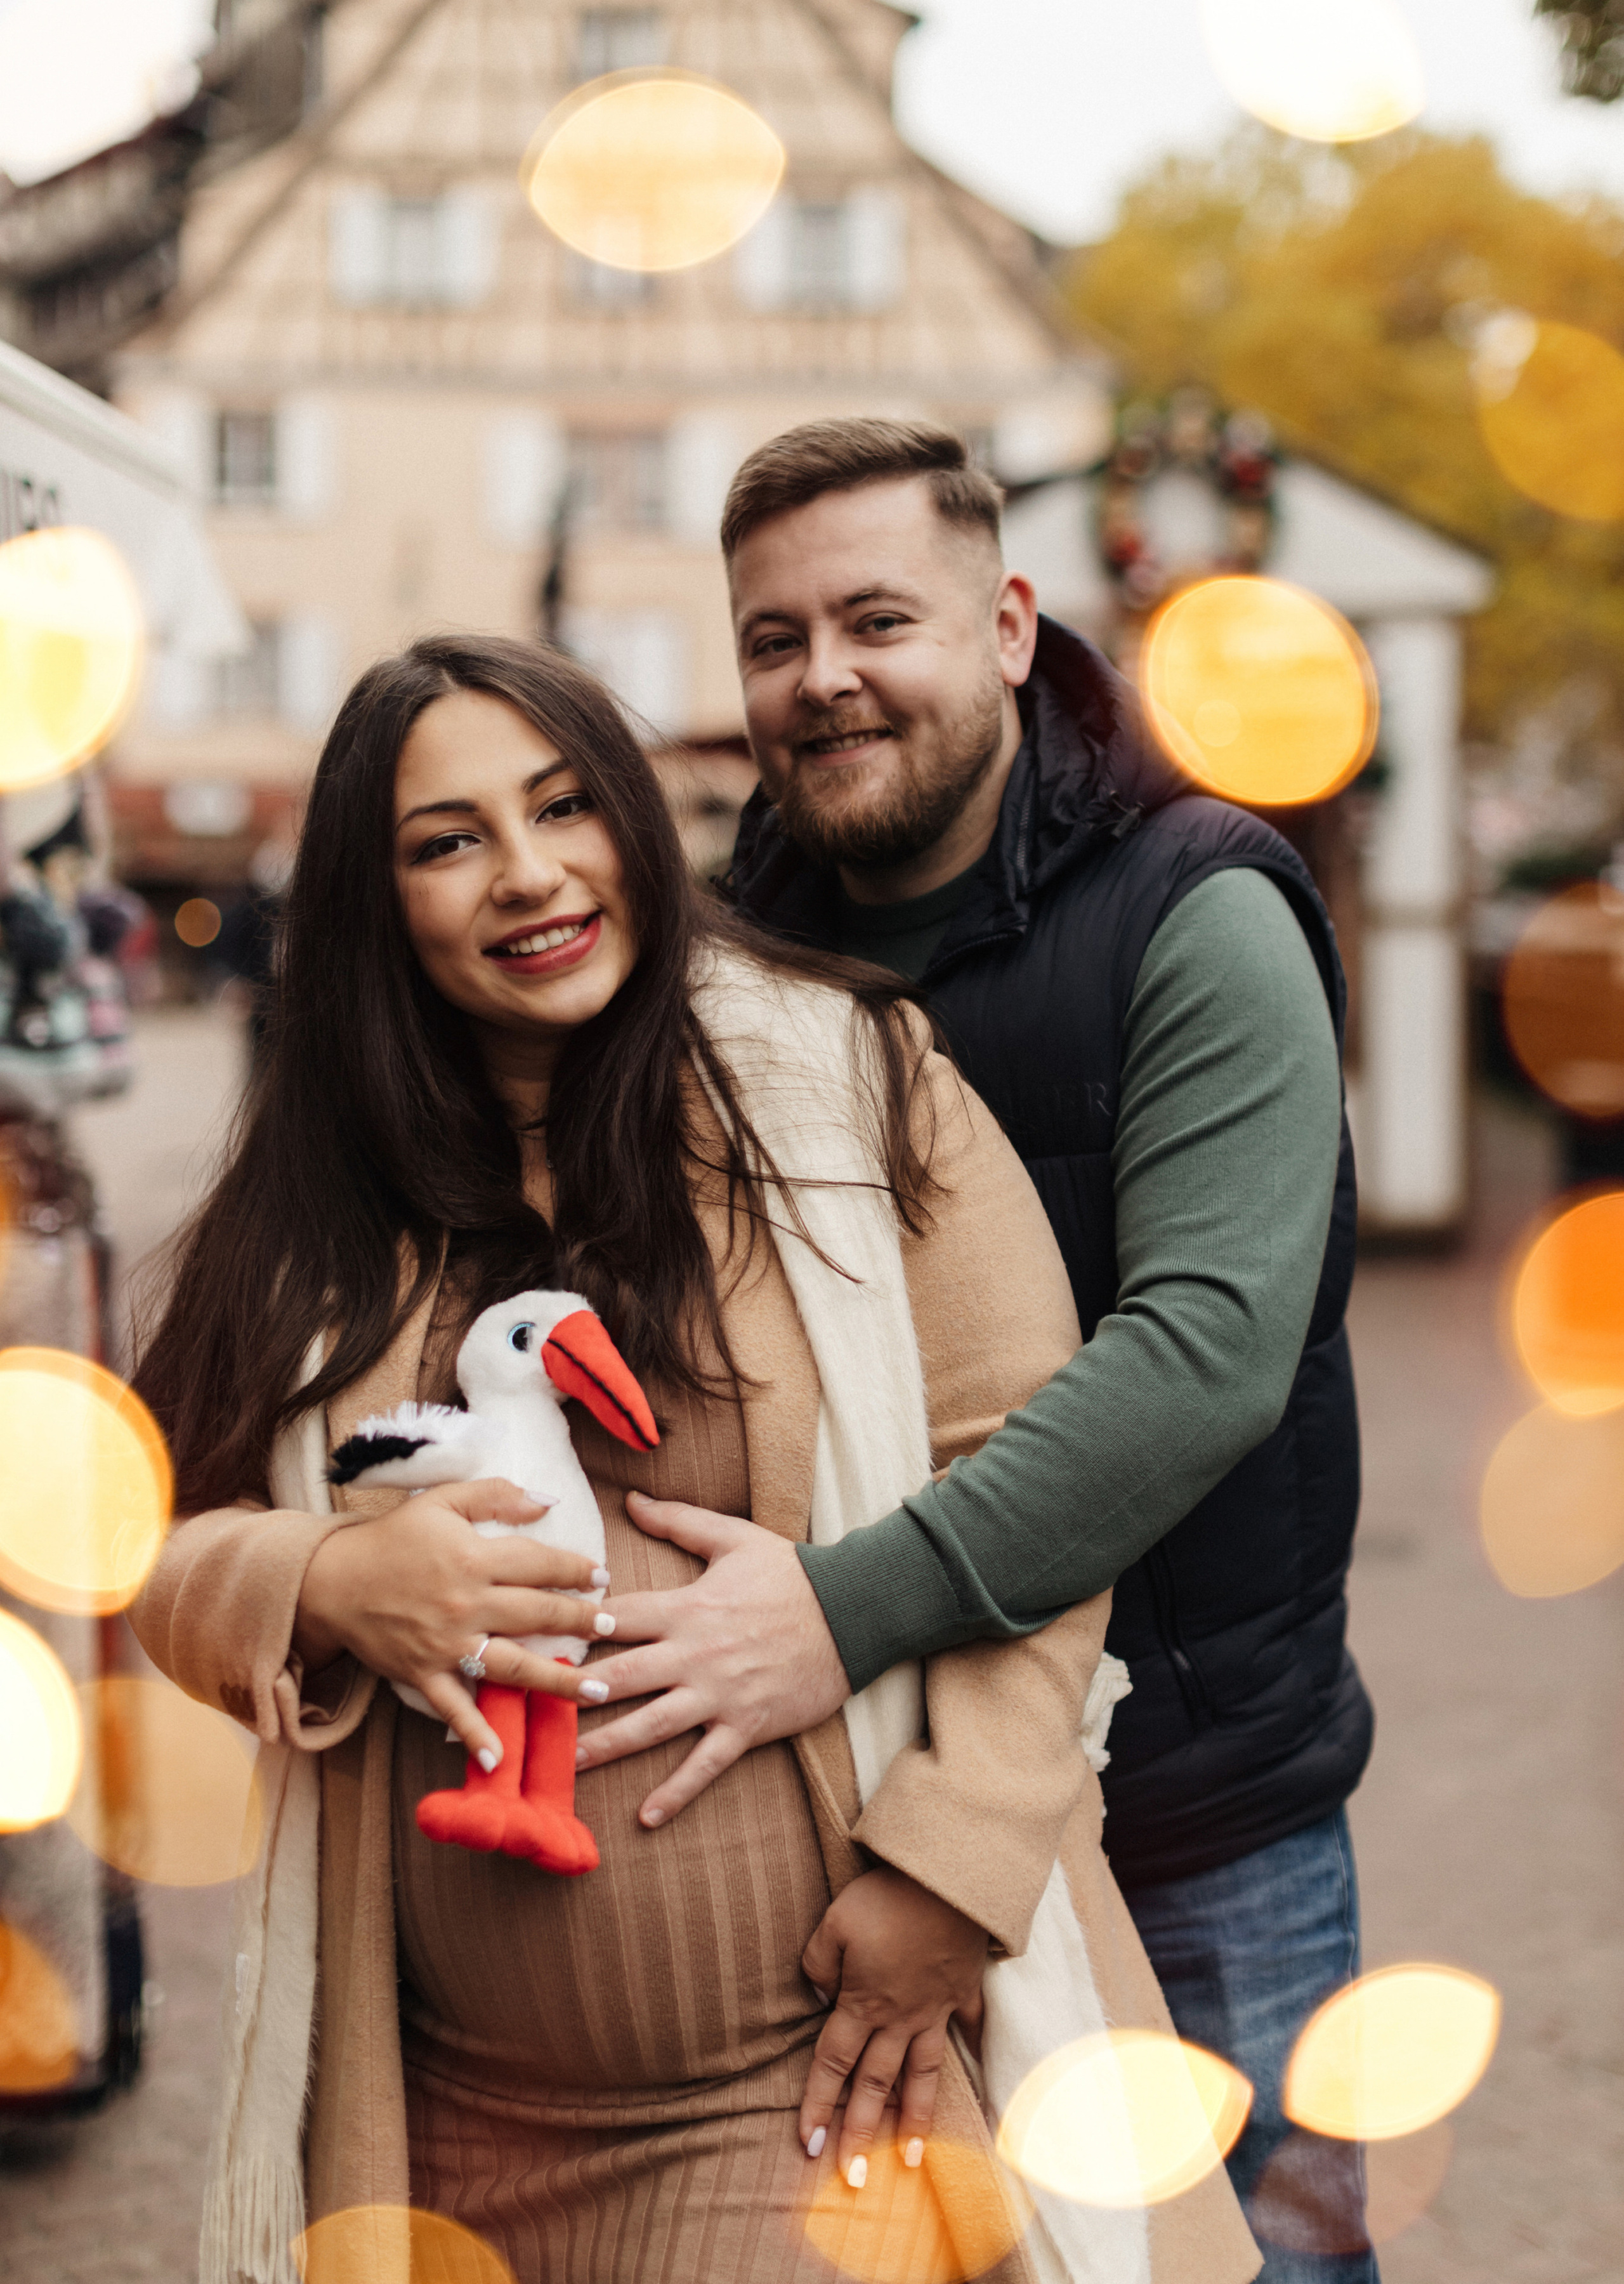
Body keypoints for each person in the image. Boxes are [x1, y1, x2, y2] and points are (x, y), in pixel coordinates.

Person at [129, 634, 1257, 2284]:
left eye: (566, 807)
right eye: (448, 842)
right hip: (437, 2133)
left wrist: (959, 1865)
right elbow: (144, 1545)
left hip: (800, 2094)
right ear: (381, 905)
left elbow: (1034, 1476)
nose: (528, 876)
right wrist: (324, 1577)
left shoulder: (850, 1092)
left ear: (639, 823)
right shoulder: (317, 1203)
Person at [574, 421, 1375, 2278]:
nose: (823, 678)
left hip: (1193, 1814)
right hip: (841, 1818)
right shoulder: (722, 964)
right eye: (774, 640)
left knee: (1252, 2263)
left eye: (878, 620)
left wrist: (838, 1611)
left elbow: (1201, 1363)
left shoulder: (1202, 908)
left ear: (1011, 625)